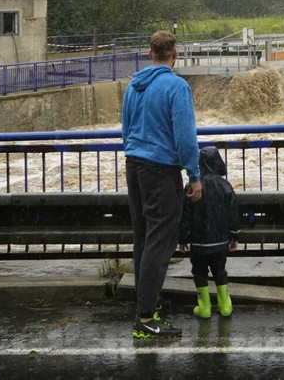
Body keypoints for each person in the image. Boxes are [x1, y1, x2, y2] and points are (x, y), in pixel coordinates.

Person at [122, 30, 202, 339]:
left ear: (149, 54)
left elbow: (126, 130)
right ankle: (144, 316)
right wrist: (194, 176)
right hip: (160, 170)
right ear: (175, 54)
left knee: (143, 238)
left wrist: (137, 154)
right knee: (160, 241)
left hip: (135, 166)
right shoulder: (176, 87)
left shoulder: (134, 86)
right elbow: (185, 137)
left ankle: (146, 309)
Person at [179, 145, 239, 318]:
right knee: (220, 270)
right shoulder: (225, 186)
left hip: (198, 243)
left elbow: (185, 217)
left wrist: (183, 239)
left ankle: (204, 307)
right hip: (220, 242)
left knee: (199, 272)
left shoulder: (192, 187)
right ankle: (225, 305)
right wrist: (234, 235)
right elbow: (233, 213)